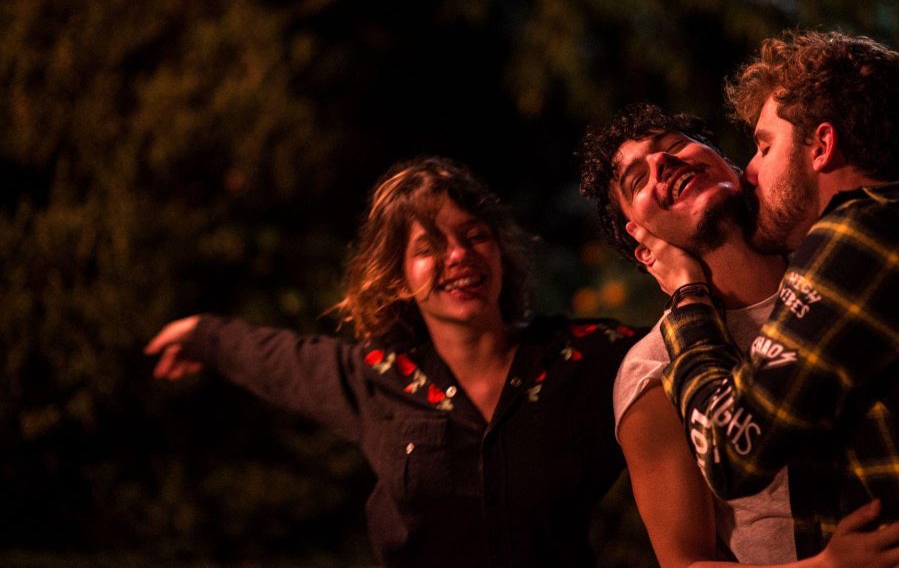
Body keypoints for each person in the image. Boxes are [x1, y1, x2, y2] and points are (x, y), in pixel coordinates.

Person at [625, 32, 899, 565]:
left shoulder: (858, 239)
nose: (752, 169)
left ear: (821, 145)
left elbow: (730, 453)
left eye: (765, 146)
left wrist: (689, 301)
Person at [146, 157, 638, 568]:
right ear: (399, 278)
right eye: (430, 246)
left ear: (501, 253)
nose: (459, 255)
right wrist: (202, 335)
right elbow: (280, 360)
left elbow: (677, 351)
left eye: (474, 235)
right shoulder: (377, 379)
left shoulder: (582, 356)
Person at [579, 103, 899, 567]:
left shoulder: (848, 272)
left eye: (673, 146)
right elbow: (684, 564)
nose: (662, 163)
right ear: (642, 243)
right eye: (637, 180)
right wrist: (828, 567)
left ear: (734, 167)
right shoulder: (653, 368)